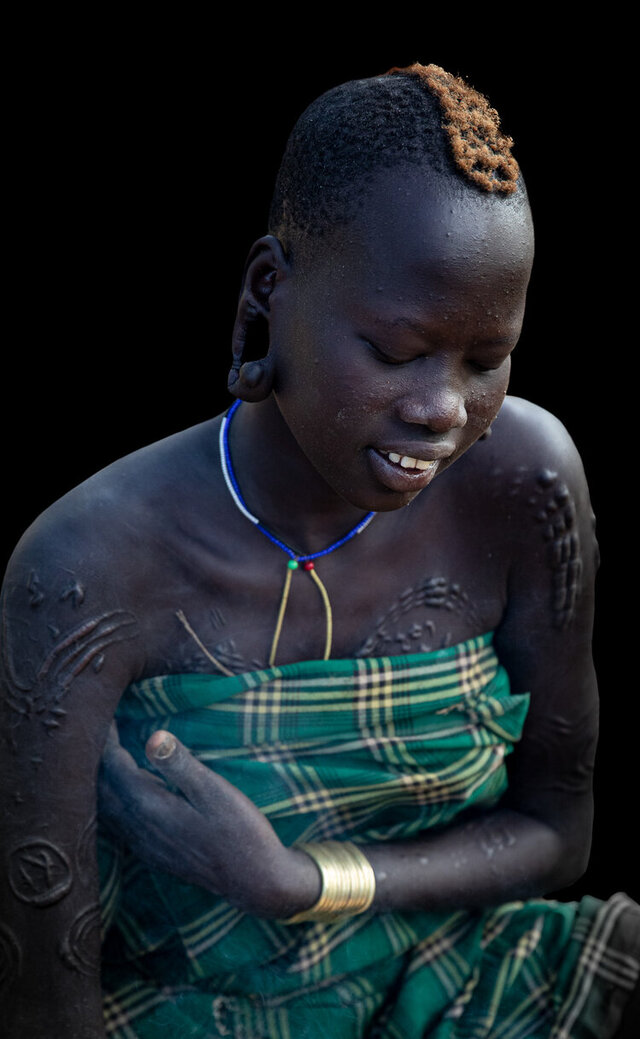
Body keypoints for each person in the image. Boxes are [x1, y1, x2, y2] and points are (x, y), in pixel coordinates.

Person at [1, 62, 638, 1038]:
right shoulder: (90, 563)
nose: (440, 408)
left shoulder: (523, 483)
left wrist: (300, 882)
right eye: (393, 350)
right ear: (268, 290)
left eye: (484, 359)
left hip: (475, 988)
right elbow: (48, 995)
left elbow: (560, 832)